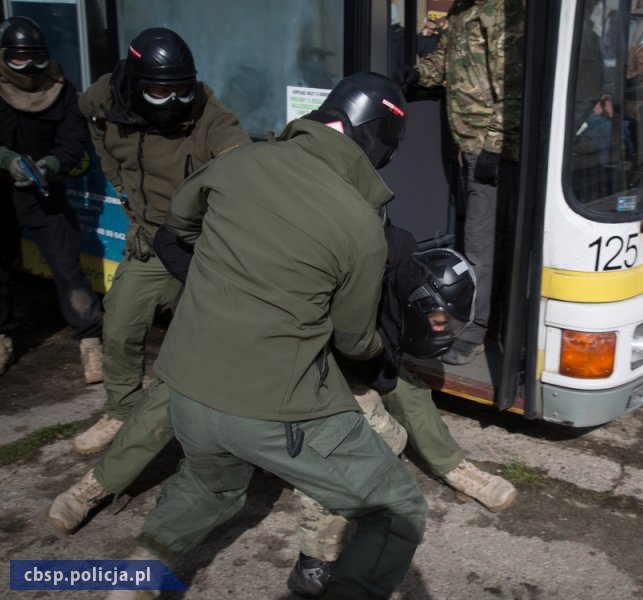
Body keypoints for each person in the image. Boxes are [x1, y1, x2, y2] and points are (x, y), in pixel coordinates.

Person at [104, 72, 426, 600]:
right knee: (398, 510)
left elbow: (180, 230)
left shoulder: (236, 162)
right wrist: (382, 362)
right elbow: (352, 339)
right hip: (273, 407)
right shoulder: (362, 226)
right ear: (374, 140)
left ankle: (131, 582)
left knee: (209, 486)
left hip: (186, 389)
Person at [289, 228, 517, 598]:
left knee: (406, 390)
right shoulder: (332, 263)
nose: (443, 330)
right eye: (441, 321)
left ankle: (453, 466)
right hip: (301, 361)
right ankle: (315, 559)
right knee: (338, 445)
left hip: (350, 349)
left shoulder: (396, 246)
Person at [68, 28, 251, 459]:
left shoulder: (208, 113)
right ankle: (120, 411)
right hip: (152, 238)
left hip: (203, 243)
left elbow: (237, 155)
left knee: (225, 336)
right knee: (120, 325)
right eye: (159, 90)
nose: (173, 100)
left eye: (181, 89)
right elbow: (95, 131)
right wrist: (126, 197)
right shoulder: (104, 100)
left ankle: (233, 425)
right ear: (133, 82)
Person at [395, 0, 526, 365]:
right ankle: (490, 316)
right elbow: (448, 62)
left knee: (481, 243)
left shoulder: (503, 10)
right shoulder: (462, 11)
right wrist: (419, 74)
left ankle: (474, 330)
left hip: (489, 146)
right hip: (468, 143)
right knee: (486, 236)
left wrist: (496, 145)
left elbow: (514, 83)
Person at [0, 16, 103, 381]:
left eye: (36, 58)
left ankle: (90, 343)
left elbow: (75, 142)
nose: (29, 68)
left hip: (45, 192)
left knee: (68, 268)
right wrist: (7, 160)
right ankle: (3, 336)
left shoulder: (62, 90)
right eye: (19, 59)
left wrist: (53, 163)